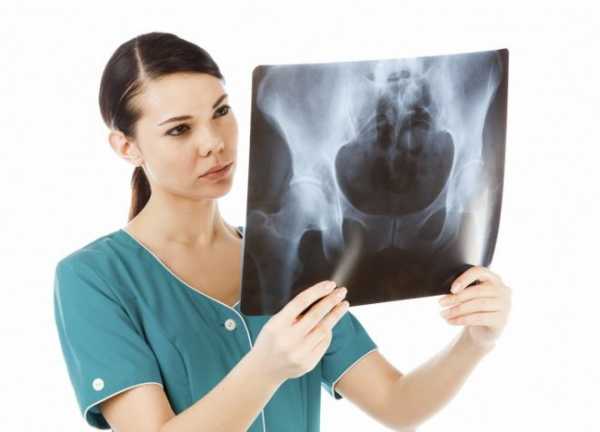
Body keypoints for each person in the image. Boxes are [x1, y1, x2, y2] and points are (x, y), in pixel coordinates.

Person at [53, 32, 512, 432]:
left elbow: (398, 405)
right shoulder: (93, 279)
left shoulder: (292, 255)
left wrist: (476, 341)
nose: (214, 142)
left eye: (221, 111)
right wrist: (266, 368)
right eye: (179, 130)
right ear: (126, 146)